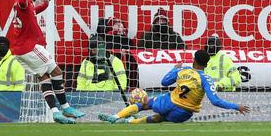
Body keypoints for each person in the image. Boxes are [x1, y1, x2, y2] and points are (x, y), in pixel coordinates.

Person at [99, 49, 250, 124]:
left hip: (169, 101)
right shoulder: (207, 79)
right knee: (159, 118)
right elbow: (216, 101)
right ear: (206, 64)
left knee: (144, 104)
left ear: (194, 60)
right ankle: (130, 122)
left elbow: (164, 82)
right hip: (183, 114)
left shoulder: (183, 70)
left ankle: (115, 117)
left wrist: (174, 69)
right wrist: (236, 106)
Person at [13, 0, 84, 124]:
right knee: (57, 72)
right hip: (30, 47)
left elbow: (31, 12)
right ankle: (65, 106)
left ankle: (55, 112)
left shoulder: (26, 6)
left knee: (44, 77)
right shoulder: (21, 2)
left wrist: (44, 6)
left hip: (20, 51)